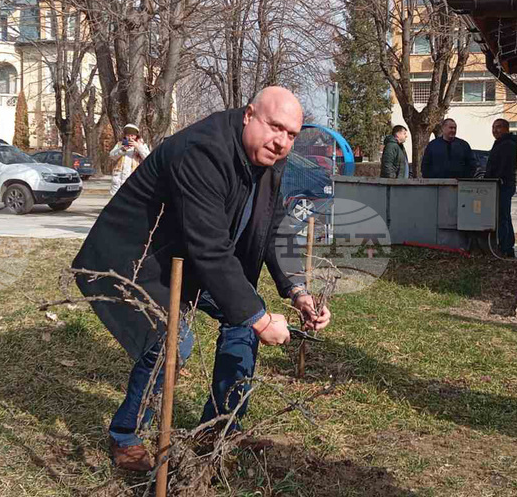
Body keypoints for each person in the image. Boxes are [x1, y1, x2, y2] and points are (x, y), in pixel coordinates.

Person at [73, 87, 333, 471]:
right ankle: (125, 434)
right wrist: (261, 320)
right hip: (138, 259)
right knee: (173, 340)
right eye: (274, 127)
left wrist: (297, 290)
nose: (281, 142)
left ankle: (218, 430)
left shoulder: (270, 158)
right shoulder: (203, 151)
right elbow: (209, 245)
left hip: (192, 257)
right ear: (248, 115)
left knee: (242, 318)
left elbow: (272, 228)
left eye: (291, 134)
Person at [484, 118, 517, 257]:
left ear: (506, 128)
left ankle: (506, 247)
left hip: (503, 185)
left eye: (498, 127)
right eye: (493, 127)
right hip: (499, 184)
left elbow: (503, 167)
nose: (495, 130)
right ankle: (505, 245)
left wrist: (494, 180)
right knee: (503, 216)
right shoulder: (500, 143)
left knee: (503, 217)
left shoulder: (507, 144)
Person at [108, 124, 150, 196]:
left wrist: (138, 147)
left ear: (136, 136)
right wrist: (122, 149)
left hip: (134, 176)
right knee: (116, 199)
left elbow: (148, 157)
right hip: (119, 177)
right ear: (125, 135)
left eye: (132, 135)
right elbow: (112, 156)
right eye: (128, 135)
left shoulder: (142, 145)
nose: (130, 138)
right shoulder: (120, 144)